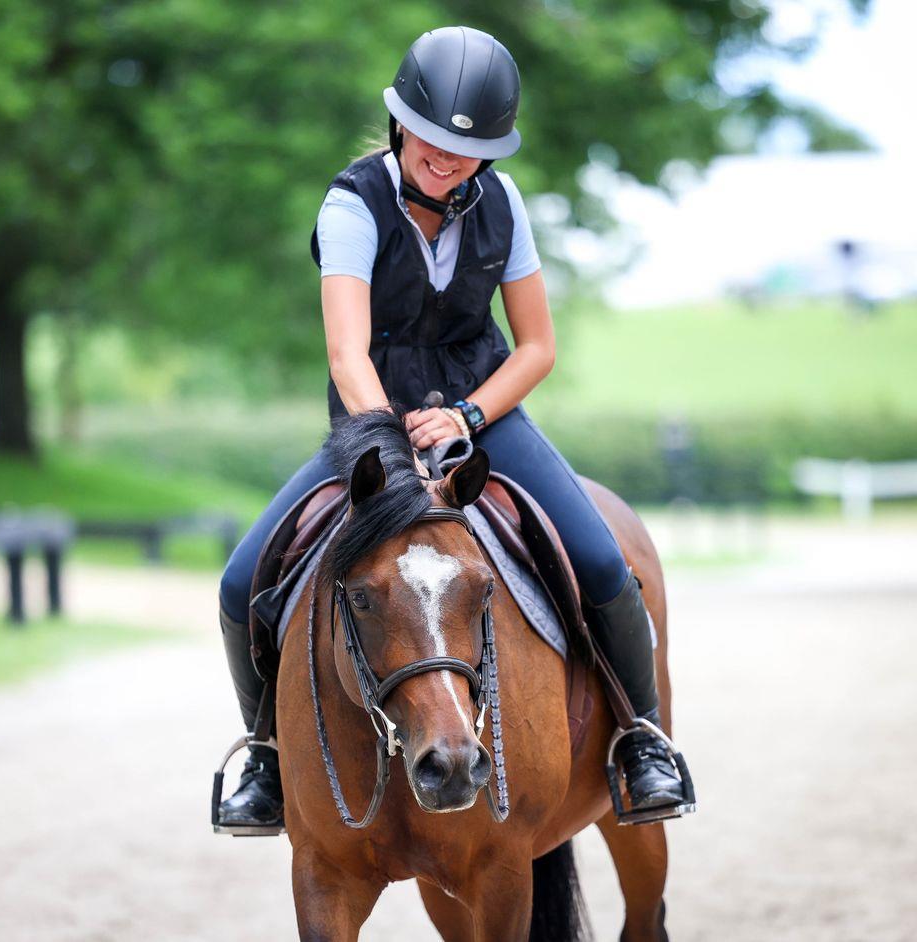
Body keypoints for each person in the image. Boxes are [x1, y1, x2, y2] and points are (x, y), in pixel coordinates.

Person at [215, 26, 691, 834]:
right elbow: (345, 349)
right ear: (403, 123)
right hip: (374, 427)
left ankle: (641, 743)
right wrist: (389, 437)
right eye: (432, 139)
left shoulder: (504, 205)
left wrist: (470, 413)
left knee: (608, 564)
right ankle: (263, 756)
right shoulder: (352, 205)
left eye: (466, 148)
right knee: (240, 583)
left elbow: (538, 345)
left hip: (483, 419)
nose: (446, 157)